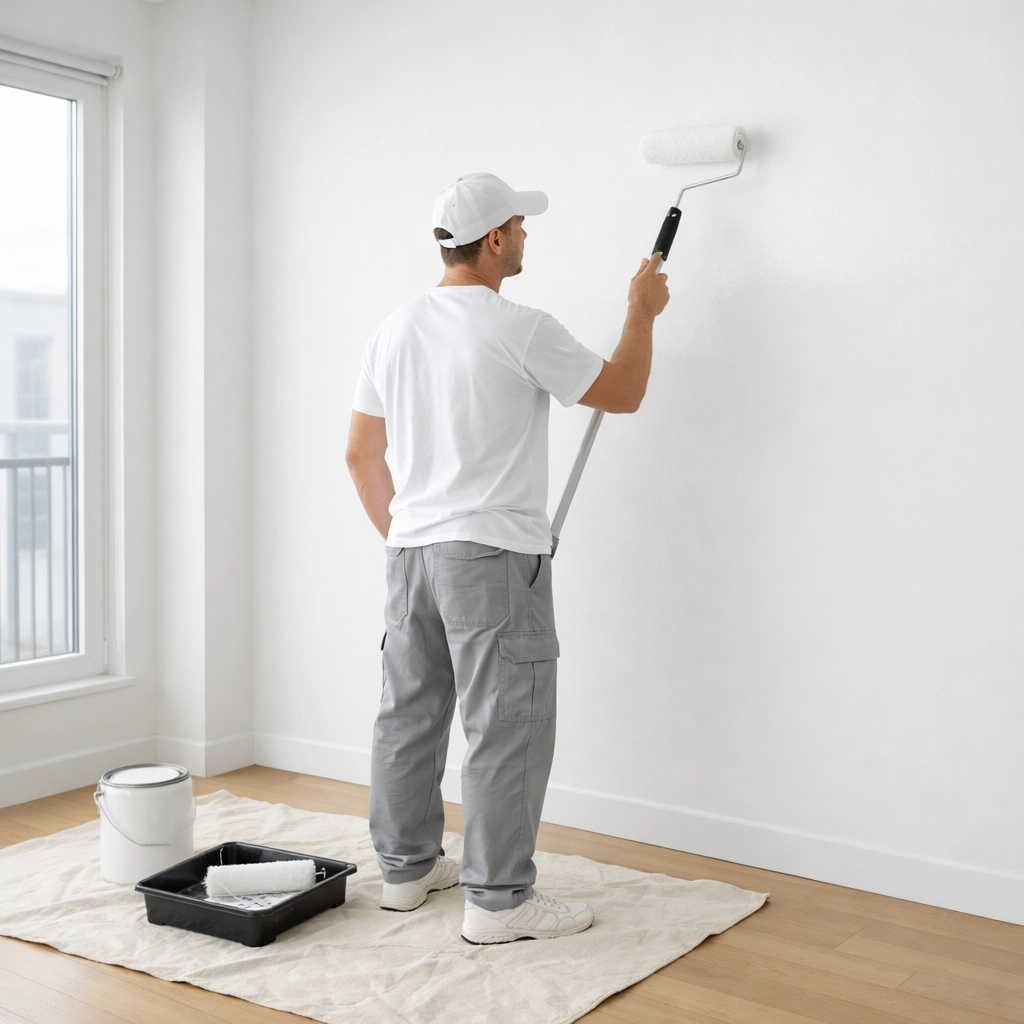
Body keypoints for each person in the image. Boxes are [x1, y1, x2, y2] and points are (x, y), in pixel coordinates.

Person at [346, 171, 669, 944]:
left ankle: (406, 870)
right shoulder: (517, 326)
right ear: (494, 239)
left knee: (409, 713)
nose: (527, 237)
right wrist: (640, 312)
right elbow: (622, 391)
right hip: (489, 556)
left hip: (411, 552)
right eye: (521, 226)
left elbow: (361, 455)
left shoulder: (395, 328)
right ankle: (499, 902)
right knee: (507, 723)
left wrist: (408, 534)